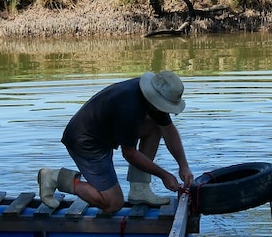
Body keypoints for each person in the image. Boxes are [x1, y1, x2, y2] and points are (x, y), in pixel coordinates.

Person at [37, 70, 194, 213]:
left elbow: (168, 129)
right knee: (113, 203)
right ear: (155, 98)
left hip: (103, 132)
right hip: (86, 141)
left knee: (154, 127)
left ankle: (139, 188)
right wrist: (164, 175)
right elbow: (130, 153)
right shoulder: (129, 109)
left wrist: (183, 166)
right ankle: (54, 177)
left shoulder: (152, 94)